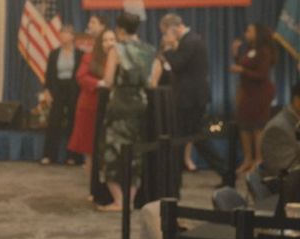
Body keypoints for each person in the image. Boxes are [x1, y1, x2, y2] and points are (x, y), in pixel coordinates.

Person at [98, 12, 155, 212]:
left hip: (120, 106)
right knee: (135, 154)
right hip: (140, 106)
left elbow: (108, 80)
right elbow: (151, 82)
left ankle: (118, 201)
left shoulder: (117, 50)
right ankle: (130, 201)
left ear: (120, 30)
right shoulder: (150, 50)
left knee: (112, 152)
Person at [160, 13, 227, 178]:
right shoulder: (190, 40)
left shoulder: (190, 41)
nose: (164, 36)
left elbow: (177, 64)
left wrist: (168, 49)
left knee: (191, 137)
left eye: (164, 32)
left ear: (172, 29)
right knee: (196, 137)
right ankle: (225, 171)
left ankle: (225, 171)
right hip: (190, 98)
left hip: (190, 100)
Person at [68, 28, 115, 183]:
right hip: (90, 107)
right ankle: (93, 184)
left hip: (112, 108)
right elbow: (81, 77)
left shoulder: (120, 58)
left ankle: (109, 183)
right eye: (105, 40)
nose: (109, 43)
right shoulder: (89, 57)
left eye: (112, 40)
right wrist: (99, 83)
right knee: (89, 148)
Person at [229, 23, 276, 175]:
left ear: (258, 33)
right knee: (244, 126)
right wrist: (235, 54)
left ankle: (259, 159)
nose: (246, 33)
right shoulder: (250, 50)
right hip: (246, 94)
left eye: (249, 30)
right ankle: (247, 159)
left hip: (260, 94)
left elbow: (261, 75)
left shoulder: (264, 51)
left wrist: (242, 70)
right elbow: (243, 67)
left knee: (257, 127)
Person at [41, 25, 84, 165]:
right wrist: (47, 90)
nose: (62, 36)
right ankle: (49, 155)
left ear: (72, 36)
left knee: (74, 122)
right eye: (61, 34)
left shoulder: (80, 54)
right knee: (54, 122)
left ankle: (73, 157)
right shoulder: (54, 53)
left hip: (73, 89)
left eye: (65, 33)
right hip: (57, 89)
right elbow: (49, 74)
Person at [260, 80, 300, 195]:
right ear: (297, 101)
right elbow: (289, 172)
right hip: (287, 193)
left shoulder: (295, 121)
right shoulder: (278, 129)